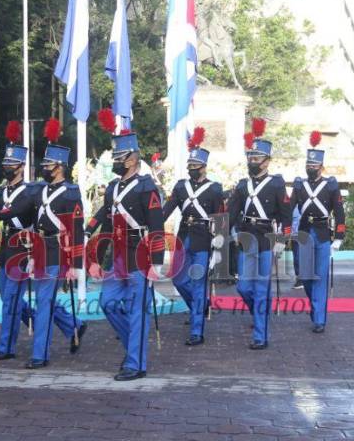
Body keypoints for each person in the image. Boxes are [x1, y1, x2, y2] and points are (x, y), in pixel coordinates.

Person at [86, 130, 165, 380]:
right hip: (117, 256)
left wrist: (158, 262)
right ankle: (134, 346)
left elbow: (156, 226)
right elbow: (106, 224)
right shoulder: (112, 188)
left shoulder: (146, 187)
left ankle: (136, 364)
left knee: (137, 311)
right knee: (107, 303)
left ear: (132, 159)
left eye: (119, 158)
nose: (116, 162)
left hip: (140, 255)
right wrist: (95, 256)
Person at [26, 120, 86, 369]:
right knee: (45, 300)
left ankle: (40, 354)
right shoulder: (40, 190)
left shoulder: (71, 192)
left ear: (60, 167)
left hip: (58, 251)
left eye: (49, 165)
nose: (45, 169)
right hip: (40, 247)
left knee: (43, 302)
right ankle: (74, 325)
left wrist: (75, 264)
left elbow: (78, 229)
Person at [228, 119, 291, 349]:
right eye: (250, 158)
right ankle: (259, 314)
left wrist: (283, 238)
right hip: (246, 237)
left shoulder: (276, 184)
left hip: (265, 238)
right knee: (244, 287)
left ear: (267, 161)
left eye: (256, 159)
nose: (252, 162)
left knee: (261, 288)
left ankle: (260, 336)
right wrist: (227, 232)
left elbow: (286, 214)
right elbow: (232, 212)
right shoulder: (243, 185)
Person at [161, 127, 223, 346]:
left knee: (198, 283)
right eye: (190, 166)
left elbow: (220, 217)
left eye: (196, 166)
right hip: (184, 235)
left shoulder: (215, 189)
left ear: (204, 167)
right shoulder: (181, 186)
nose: (192, 170)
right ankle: (200, 304)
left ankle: (197, 330)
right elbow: (167, 209)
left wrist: (219, 246)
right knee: (177, 278)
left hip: (204, 239)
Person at [0, 125, 40, 360]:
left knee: (10, 300)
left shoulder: (30, 192)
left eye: (12, 165)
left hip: (23, 247)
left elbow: (16, 212)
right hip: (7, 247)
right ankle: (62, 322)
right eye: (5, 164)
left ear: (21, 166)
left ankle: (5, 346)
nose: (7, 168)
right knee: (7, 297)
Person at [290, 131, 346, 333]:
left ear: (321, 167)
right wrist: (285, 229)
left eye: (314, 166)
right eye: (308, 165)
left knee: (321, 277)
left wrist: (338, 238)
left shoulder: (330, 185)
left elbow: (339, 213)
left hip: (323, 234)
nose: (310, 168)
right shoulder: (299, 184)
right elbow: (289, 209)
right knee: (305, 277)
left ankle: (319, 319)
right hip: (304, 234)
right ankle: (315, 308)